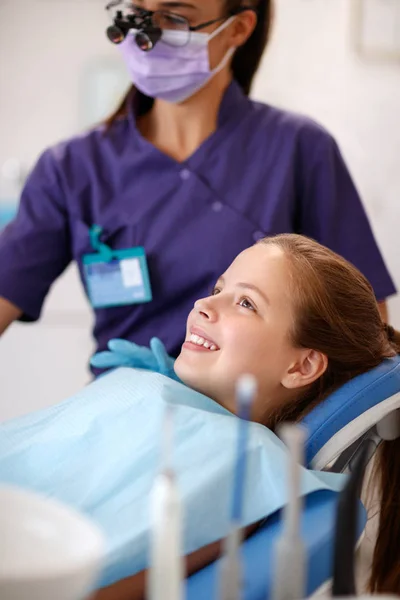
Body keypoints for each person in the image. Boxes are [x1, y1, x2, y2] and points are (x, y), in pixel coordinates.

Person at [0, 0, 396, 364]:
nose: (147, 37)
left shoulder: (299, 149)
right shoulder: (73, 167)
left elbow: (365, 331)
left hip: (251, 421)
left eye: (176, 19)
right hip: (122, 417)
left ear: (238, 28)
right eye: (135, 15)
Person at [91, 233, 400, 600]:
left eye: (246, 303)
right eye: (218, 287)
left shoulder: (243, 475)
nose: (204, 303)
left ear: (302, 365)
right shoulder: (181, 416)